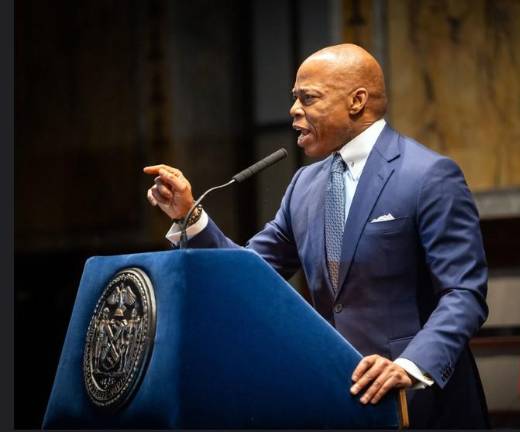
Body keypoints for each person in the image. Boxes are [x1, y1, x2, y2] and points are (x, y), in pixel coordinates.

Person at [144, 43, 489, 428]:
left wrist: (409, 365)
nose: (293, 110)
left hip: (423, 405)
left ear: (357, 101)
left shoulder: (428, 175)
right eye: (294, 98)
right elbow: (246, 274)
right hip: (335, 398)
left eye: (307, 98)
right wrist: (189, 215)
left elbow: (463, 294)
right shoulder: (303, 185)